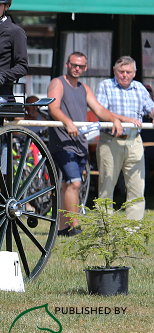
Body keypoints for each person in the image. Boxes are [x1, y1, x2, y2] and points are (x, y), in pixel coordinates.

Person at [47, 52, 123, 236]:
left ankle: (63, 228)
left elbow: (98, 109)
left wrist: (114, 119)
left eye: (81, 66)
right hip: (63, 143)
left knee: (68, 185)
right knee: (74, 183)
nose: (77, 68)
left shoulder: (84, 88)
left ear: (85, 68)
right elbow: (53, 107)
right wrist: (68, 122)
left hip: (80, 143)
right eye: (74, 65)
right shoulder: (57, 83)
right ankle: (75, 226)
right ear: (67, 64)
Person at [95, 56, 154, 222]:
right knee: (106, 187)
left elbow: (150, 108)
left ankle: (132, 232)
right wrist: (126, 119)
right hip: (110, 140)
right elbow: (101, 112)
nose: (125, 75)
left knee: (137, 187)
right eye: (121, 71)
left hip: (134, 141)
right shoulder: (105, 86)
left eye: (128, 72)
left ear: (134, 73)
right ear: (114, 71)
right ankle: (104, 229)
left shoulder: (140, 88)